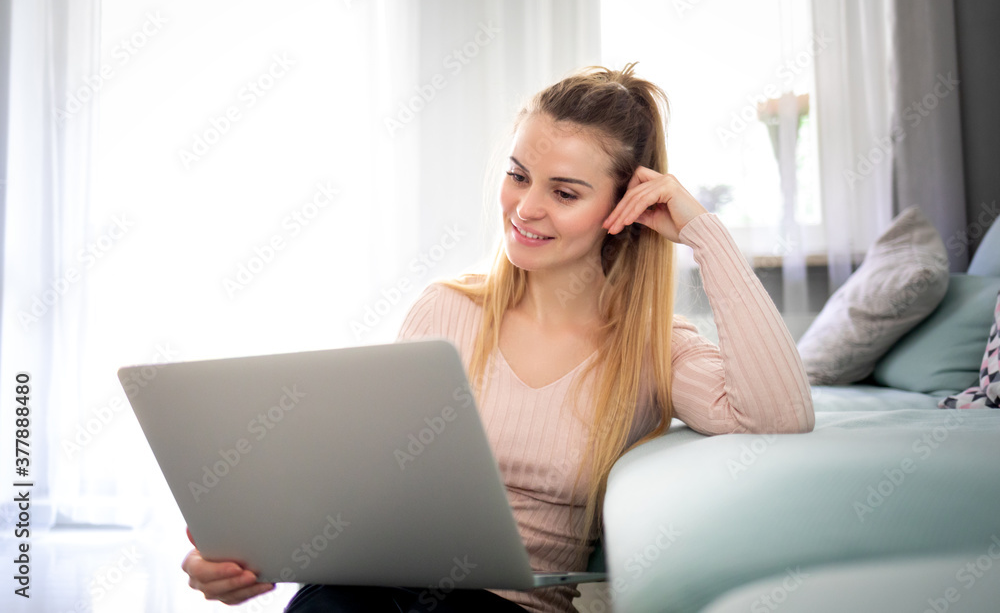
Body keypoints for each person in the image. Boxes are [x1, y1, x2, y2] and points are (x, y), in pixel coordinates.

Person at [181, 63, 815, 613]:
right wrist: (255, 545)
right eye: (518, 175)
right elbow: (370, 483)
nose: (525, 208)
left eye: (564, 192)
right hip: (369, 591)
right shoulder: (445, 310)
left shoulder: (653, 348)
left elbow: (779, 413)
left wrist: (705, 232)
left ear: (623, 211)